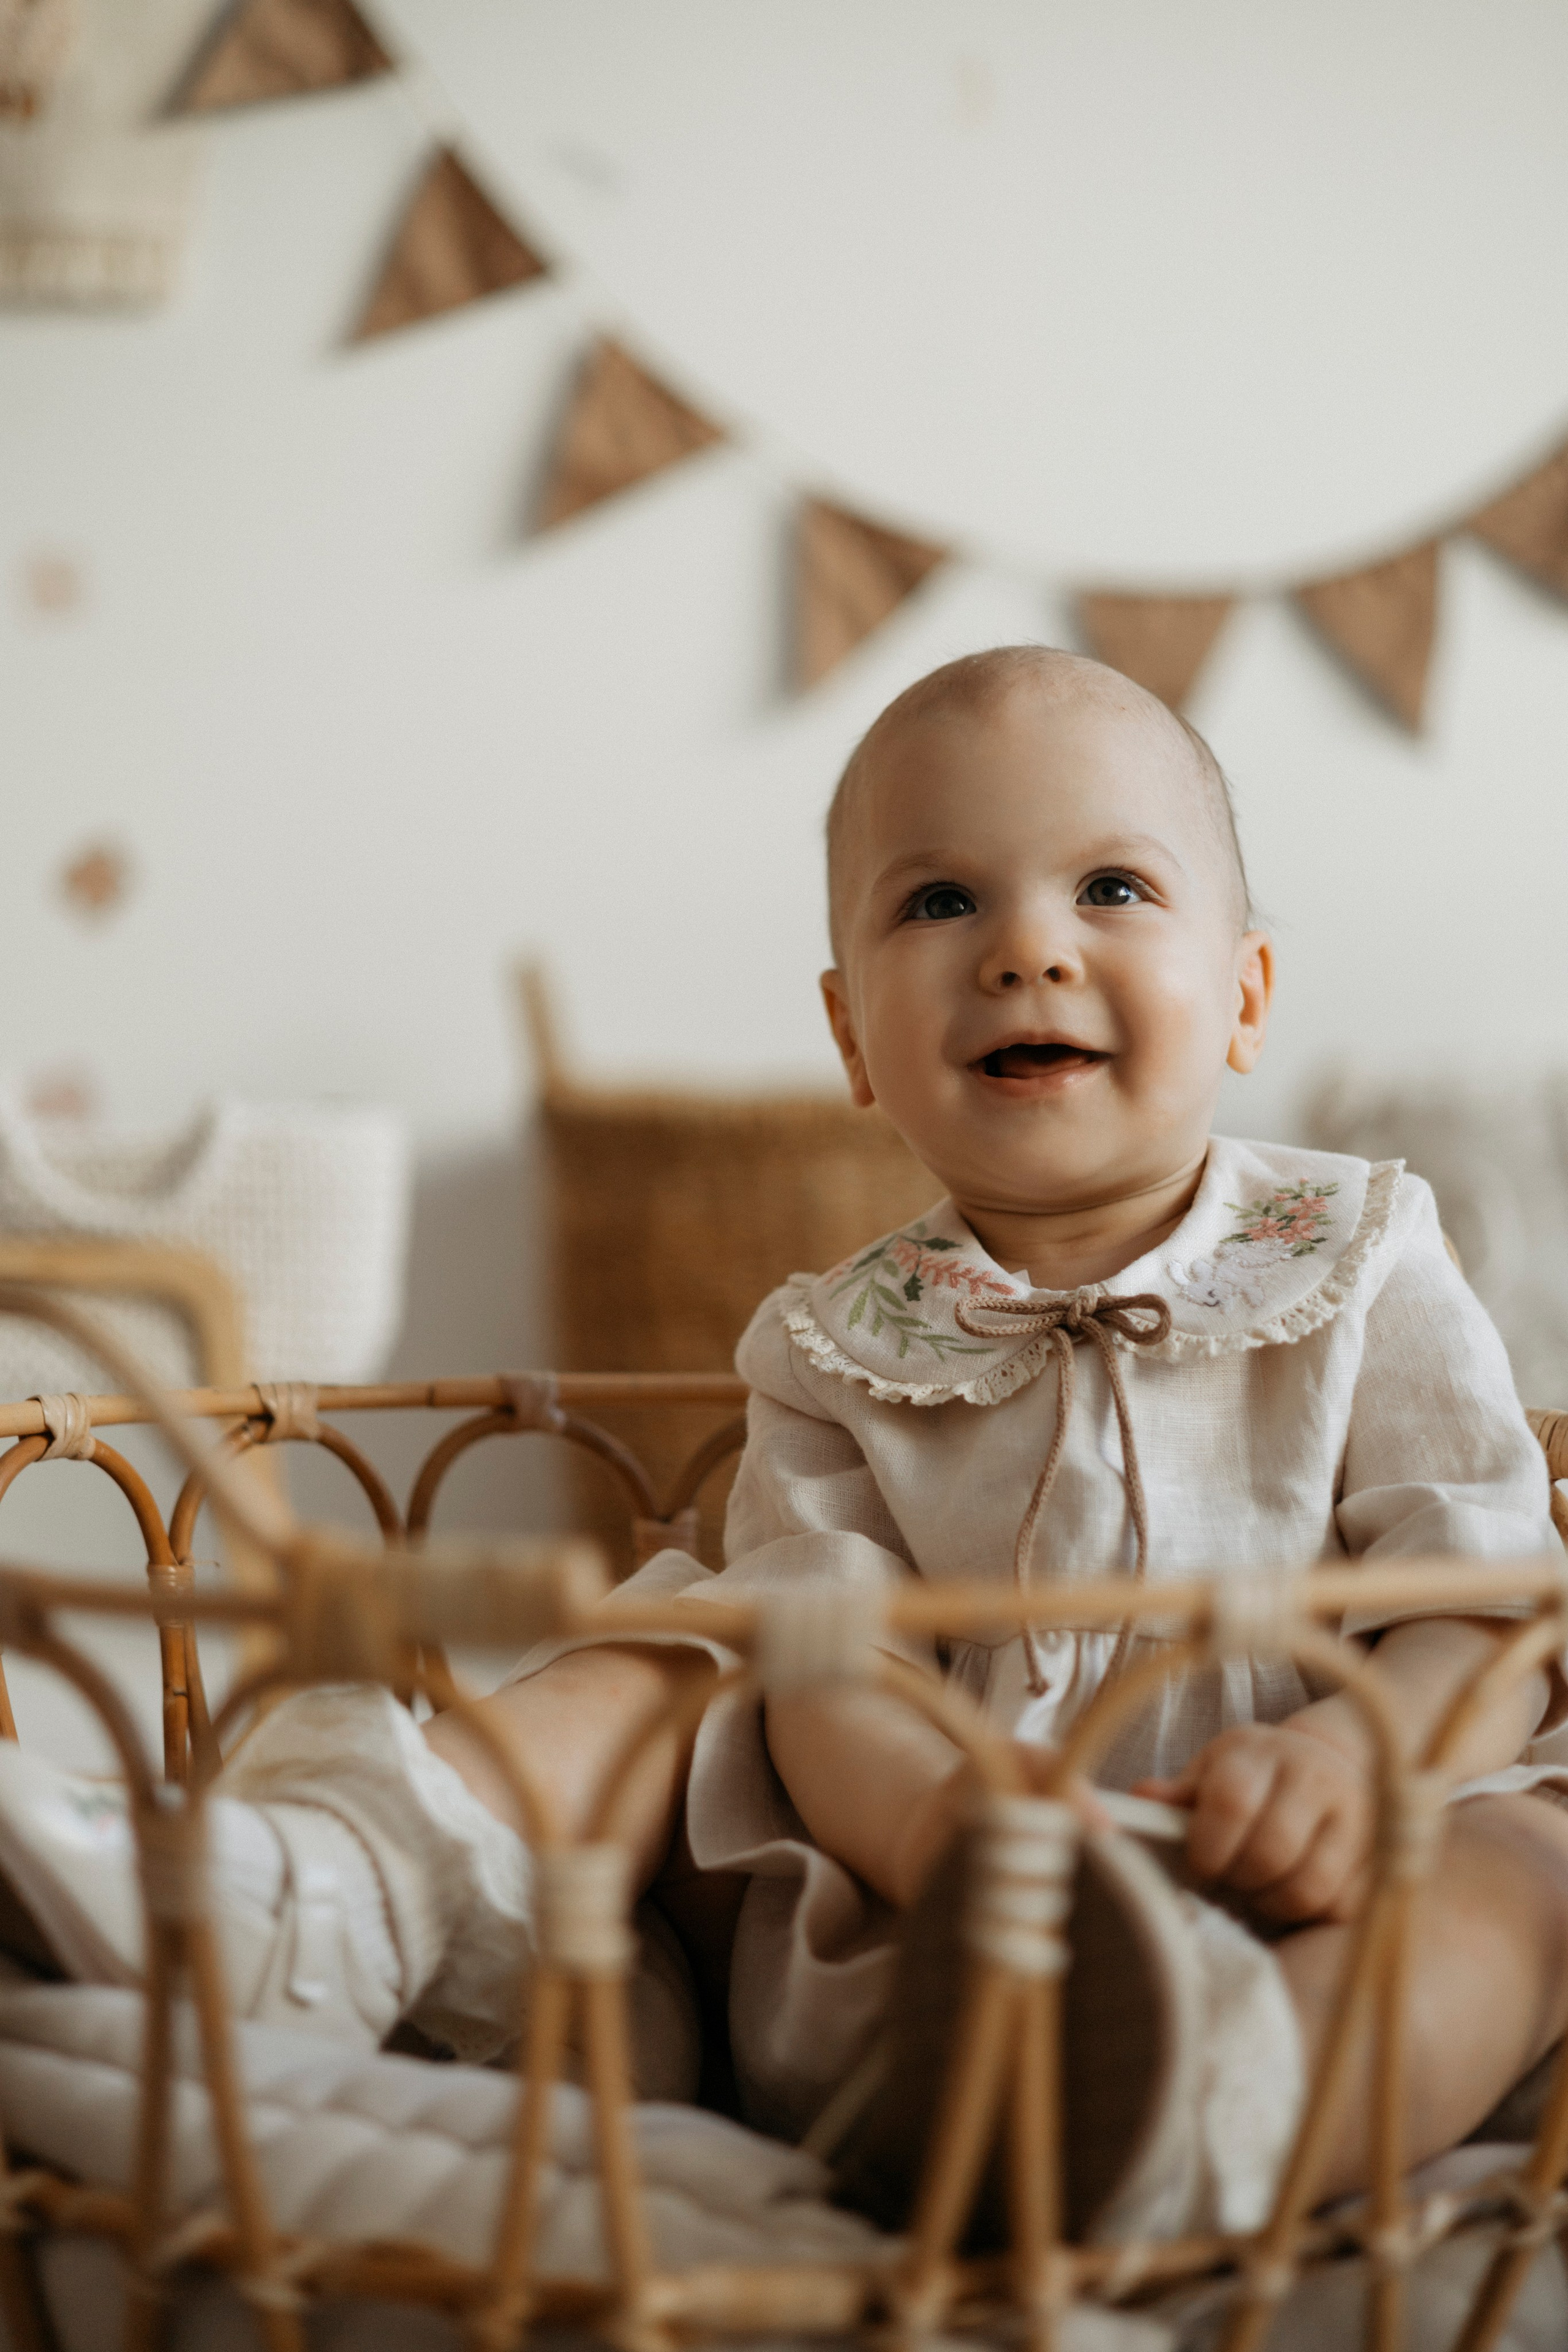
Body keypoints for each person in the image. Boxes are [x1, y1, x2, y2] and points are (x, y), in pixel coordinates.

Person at [3, 647, 1567, 2240]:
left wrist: (1351, 1758)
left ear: (1245, 994)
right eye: (939, 903)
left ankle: (1233, 2115)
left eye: (1110, 886)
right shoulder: (837, 1345)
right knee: (693, 1631)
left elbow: (1489, 1600)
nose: (1028, 947)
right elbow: (829, 1680)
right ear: (850, 1039)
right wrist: (950, 1833)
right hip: (936, 1942)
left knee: (1535, 1864)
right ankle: (337, 1887)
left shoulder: (1359, 1254)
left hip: (1340, 1878)